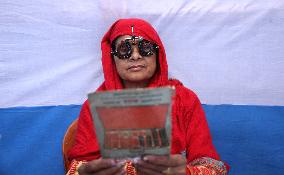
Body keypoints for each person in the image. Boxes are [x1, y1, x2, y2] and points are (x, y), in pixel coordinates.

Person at [66, 18, 229, 175]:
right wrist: (84, 172)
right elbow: (79, 166)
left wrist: (186, 172)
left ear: (158, 54)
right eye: (125, 49)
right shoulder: (94, 107)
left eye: (145, 48)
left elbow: (211, 165)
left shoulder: (184, 100)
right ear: (112, 58)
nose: (135, 56)